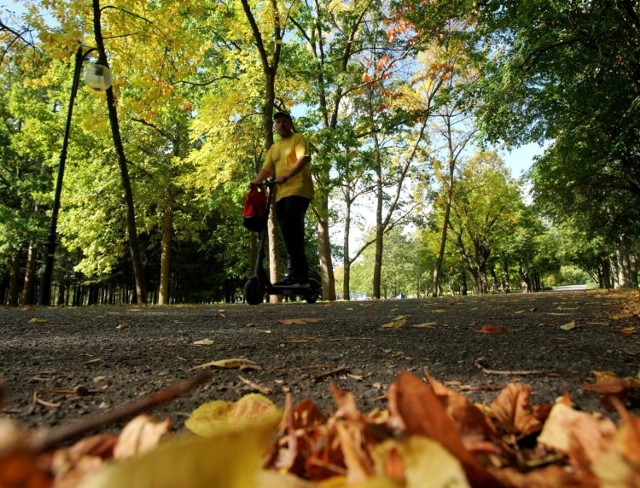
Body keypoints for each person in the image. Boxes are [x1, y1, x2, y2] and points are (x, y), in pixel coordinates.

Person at [252, 111, 314, 288]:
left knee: (291, 227)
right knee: (288, 232)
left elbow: (304, 159)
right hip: (280, 194)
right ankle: (299, 275)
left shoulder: (299, 139)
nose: (281, 125)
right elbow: (267, 169)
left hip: (299, 190)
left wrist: (287, 176)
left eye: (285, 121)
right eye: (278, 122)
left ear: (290, 123)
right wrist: (257, 181)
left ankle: (296, 274)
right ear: (275, 126)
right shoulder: (274, 148)